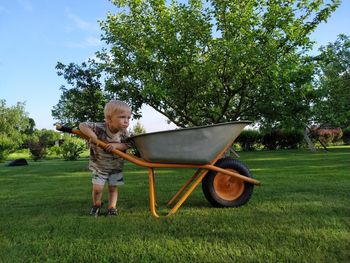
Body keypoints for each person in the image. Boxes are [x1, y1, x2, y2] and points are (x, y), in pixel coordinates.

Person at [79, 100, 131, 217]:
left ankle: (112, 207)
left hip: (116, 166)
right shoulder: (99, 127)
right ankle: (96, 205)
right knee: (97, 189)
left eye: (128, 117)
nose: (126, 121)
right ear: (109, 118)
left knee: (113, 188)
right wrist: (92, 135)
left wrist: (116, 146)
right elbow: (82, 125)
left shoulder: (124, 133)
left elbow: (128, 145)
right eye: (122, 117)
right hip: (99, 166)